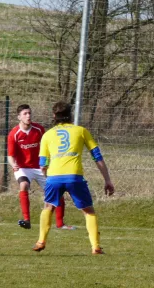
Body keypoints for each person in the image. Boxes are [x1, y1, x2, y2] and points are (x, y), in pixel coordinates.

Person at [32, 101, 114, 254]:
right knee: (88, 211)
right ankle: (95, 246)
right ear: (71, 115)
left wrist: (48, 178)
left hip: (54, 177)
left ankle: (41, 241)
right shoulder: (81, 131)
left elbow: (42, 164)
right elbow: (97, 156)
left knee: (48, 207)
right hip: (74, 176)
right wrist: (107, 180)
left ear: (53, 116)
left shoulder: (47, 135)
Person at [7, 104, 74, 230]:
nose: (28, 116)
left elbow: (48, 146)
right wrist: (13, 164)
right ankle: (26, 220)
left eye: (29, 113)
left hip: (39, 167)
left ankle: (60, 224)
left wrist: (49, 161)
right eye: (25, 114)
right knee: (24, 185)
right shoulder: (14, 134)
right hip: (23, 168)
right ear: (19, 117)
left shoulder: (38, 129)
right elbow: (10, 155)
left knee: (57, 191)